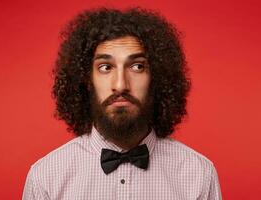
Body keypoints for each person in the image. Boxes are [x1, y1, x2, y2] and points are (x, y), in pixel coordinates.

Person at [23, 7, 222, 200]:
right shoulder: (46, 178)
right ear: (86, 79)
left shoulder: (199, 175)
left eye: (137, 66)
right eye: (105, 67)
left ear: (157, 77)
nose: (120, 85)